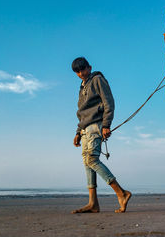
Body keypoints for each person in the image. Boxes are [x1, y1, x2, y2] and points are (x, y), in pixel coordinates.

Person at [71, 57, 131, 214]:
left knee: (92, 159)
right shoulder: (82, 87)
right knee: (87, 163)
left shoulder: (97, 79)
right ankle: (93, 204)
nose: (80, 73)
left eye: (82, 69)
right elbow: (81, 113)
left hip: (96, 126)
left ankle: (122, 193)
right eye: (77, 71)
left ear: (89, 67)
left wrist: (106, 125)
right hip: (85, 128)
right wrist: (78, 132)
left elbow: (108, 102)